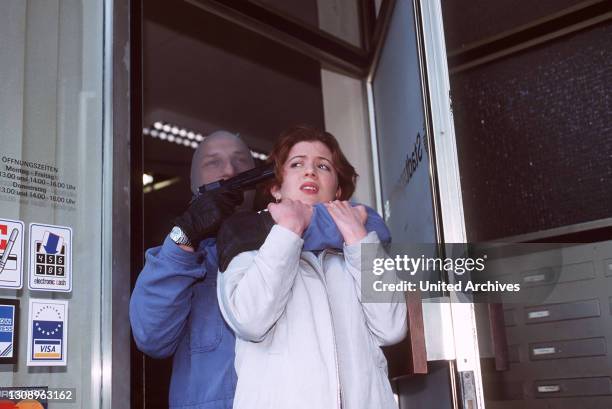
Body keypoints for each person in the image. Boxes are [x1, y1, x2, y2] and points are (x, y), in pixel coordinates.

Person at [217, 126, 407, 409]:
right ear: (275, 189)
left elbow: (392, 328)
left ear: (339, 190)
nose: (310, 172)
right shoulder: (246, 241)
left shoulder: (361, 248)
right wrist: (289, 231)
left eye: (323, 166)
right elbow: (250, 320)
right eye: (297, 164)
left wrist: (357, 238)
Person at [129, 130, 255, 409]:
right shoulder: (181, 259)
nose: (229, 171)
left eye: (323, 166)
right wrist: (184, 236)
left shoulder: (298, 245)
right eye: (213, 162)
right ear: (193, 183)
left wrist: (364, 234)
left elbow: (378, 307)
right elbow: (151, 338)